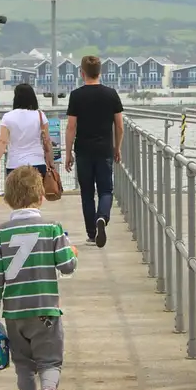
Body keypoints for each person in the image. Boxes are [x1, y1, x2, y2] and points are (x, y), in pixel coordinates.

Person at [0, 166, 79, 390]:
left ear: (9, 199)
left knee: (24, 367)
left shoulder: (1, 233)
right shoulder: (52, 229)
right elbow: (67, 265)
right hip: (45, 311)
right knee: (50, 362)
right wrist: (72, 250)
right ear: (40, 197)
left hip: (15, 315)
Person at [64, 55, 124, 248]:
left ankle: (91, 233)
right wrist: (117, 147)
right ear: (100, 72)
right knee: (106, 190)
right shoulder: (111, 94)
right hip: (105, 149)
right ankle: (102, 218)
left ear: (82, 73)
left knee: (87, 193)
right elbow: (120, 126)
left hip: (83, 151)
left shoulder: (76, 95)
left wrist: (67, 153)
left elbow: (71, 127)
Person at [0, 82, 55, 180]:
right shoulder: (40, 115)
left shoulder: (7, 117)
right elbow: (47, 141)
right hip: (37, 163)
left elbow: (2, 141)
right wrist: (51, 161)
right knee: (37, 194)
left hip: (14, 164)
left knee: (16, 194)